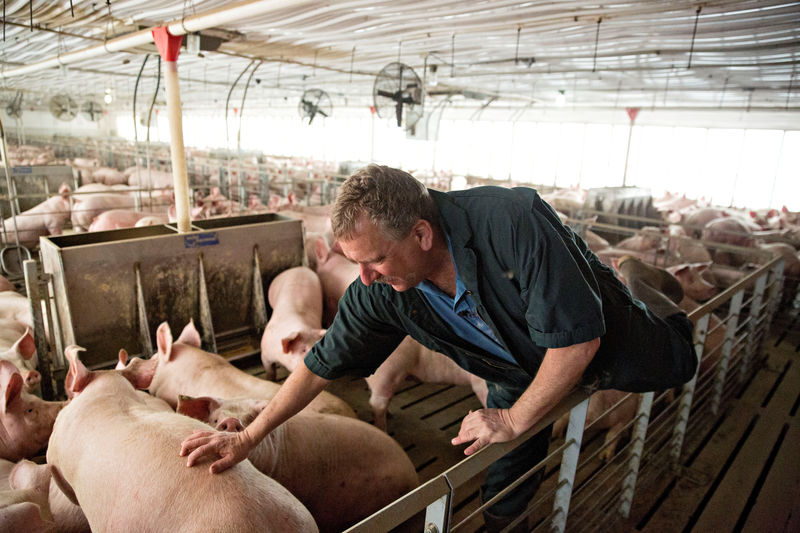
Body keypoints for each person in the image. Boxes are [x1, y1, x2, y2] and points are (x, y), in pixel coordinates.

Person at [180, 165, 697, 531]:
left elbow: (579, 342)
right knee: (505, 463)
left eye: (375, 260)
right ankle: (500, 522)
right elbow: (319, 364)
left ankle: (636, 282)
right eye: (354, 263)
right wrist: (249, 436)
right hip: (512, 364)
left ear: (422, 234)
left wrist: (513, 419)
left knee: (677, 359)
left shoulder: (512, 220)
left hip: (601, 337)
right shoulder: (381, 291)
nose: (363, 278)